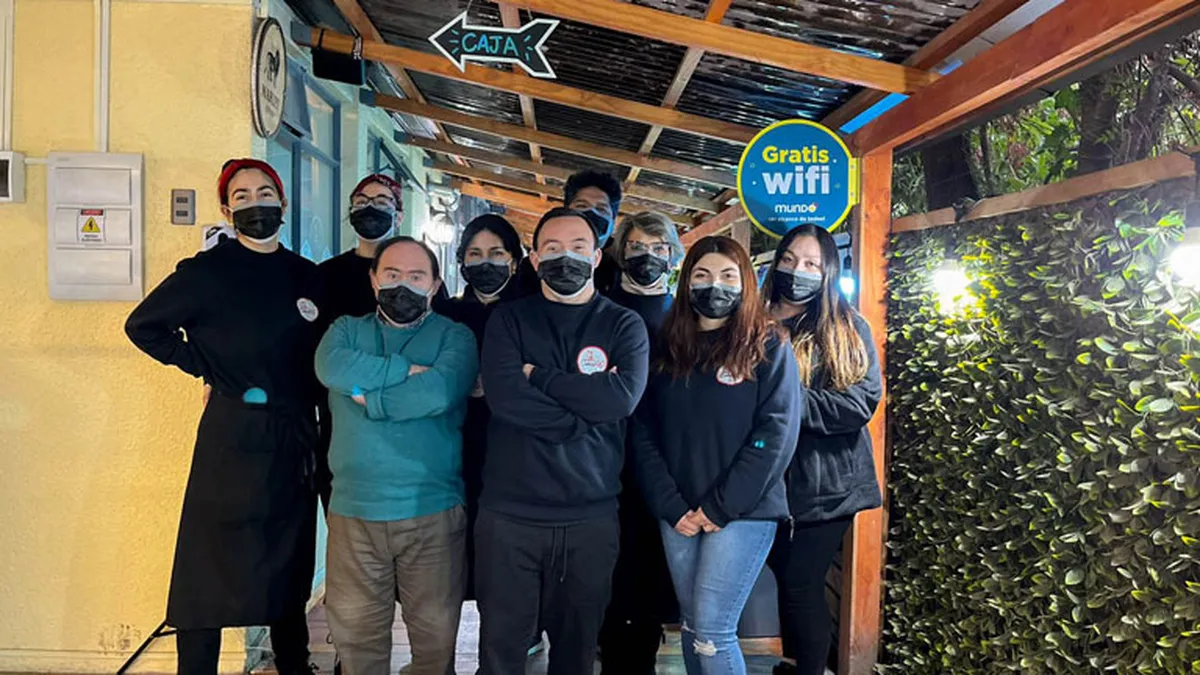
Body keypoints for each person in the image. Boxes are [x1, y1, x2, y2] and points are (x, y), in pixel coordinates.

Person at [124, 158, 321, 675]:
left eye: (265, 193)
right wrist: (203, 366)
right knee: (208, 568)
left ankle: (294, 665)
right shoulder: (205, 273)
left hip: (295, 438)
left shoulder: (306, 276)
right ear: (227, 210)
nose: (256, 204)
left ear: (283, 201)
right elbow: (143, 327)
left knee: (288, 561)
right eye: (242, 196)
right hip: (231, 437)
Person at [476, 206, 650, 675]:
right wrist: (582, 417)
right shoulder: (508, 320)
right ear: (534, 260)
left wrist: (540, 376)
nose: (565, 257)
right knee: (500, 652)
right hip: (510, 517)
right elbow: (506, 398)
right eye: (552, 249)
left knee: (576, 654)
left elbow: (620, 399)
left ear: (596, 257)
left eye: (577, 247)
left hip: (590, 519)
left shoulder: (624, 324)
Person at [632, 235, 802, 675]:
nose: (715, 286)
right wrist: (671, 505)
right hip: (679, 513)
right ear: (686, 281)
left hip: (742, 511)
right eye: (703, 275)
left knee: (712, 631)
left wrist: (720, 506)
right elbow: (643, 431)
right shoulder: (666, 346)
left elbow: (775, 434)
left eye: (728, 276)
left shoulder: (768, 345)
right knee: (693, 627)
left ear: (745, 283)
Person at [314, 236, 477, 675]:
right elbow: (331, 367)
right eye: (392, 274)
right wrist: (404, 371)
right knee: (357, 642)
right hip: (353, 513)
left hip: (432, 512)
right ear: (373, 280)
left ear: (435, 284)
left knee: (435, 641)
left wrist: (372, 398)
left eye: (416, 276)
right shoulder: (345, 331)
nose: (403, 285)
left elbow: (440, 391)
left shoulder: (456, 337)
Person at [762, 225, 882, 675]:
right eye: (790, 259)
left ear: (828, 270)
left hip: (829, 484)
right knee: (783, 577)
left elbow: (859, 403)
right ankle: (794, 663)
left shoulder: (846, 327)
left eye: (812, 263)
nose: (798, 271)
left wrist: (784, 400)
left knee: (801, 584)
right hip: (767, 482)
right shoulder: (754, 319)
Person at [598, 211, 684, 674]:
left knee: (652, 573)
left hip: (665, 467)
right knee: (611, 573)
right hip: (605, 462)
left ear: (672, 255)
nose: (647, 256)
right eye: (636, 247)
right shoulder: (600, 310)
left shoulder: (685, 316)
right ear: (620, 252)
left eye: (657, 248)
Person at [438, 213, 525, 602]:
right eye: (474, 254)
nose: (485, 263)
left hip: (515, 450)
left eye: (496, 253)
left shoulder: (530, 314)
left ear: (514, 261)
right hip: (457, 446)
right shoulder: (447, 315)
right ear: (461, 261)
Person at [314, 173, 405, 514]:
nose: (370, 208)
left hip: (400, 414)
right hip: (340, 417)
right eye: (362, 202)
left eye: (382, 201)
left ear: (398, 215)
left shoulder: (413, 272)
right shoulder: (326, 275)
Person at [515, 169, 623, 296]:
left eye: (601, 209)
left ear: (613, 222)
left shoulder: (622, 269)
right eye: (581, 206)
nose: (591, 214)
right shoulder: (536, 267)